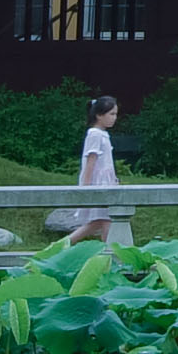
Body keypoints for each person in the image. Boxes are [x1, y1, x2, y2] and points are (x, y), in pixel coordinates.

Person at [64, 93, 123, 245]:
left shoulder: (103, 134)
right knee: (105, 219)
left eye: (115, 114)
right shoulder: (94, 134)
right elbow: (91, 161)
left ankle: (106, 253)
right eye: (111, 114)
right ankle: (108, 253)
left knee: (103, 220)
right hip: (97, 182)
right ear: (99, 115)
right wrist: (87, 186)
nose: (114, 117)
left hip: (105, 182)